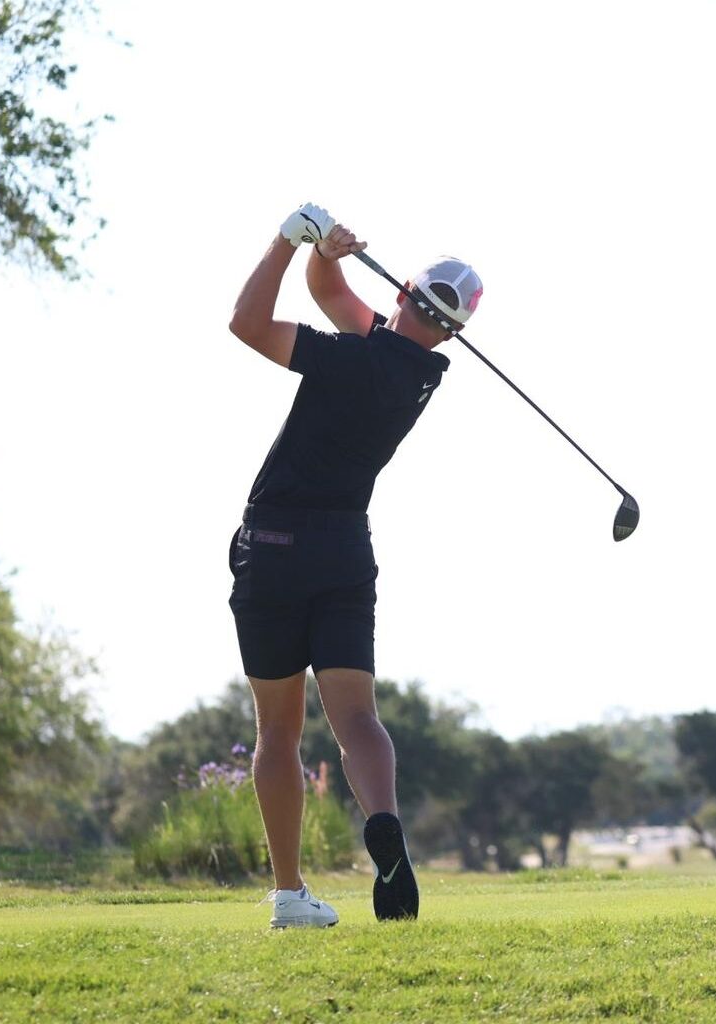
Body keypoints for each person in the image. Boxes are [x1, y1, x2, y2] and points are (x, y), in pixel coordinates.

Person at [225, 202, 483, 928]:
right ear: (452, 330)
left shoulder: (347, 356)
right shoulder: (421, 372)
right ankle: (385, 821)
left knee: (278, 732)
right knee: (357, 719)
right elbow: (332, 296)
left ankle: (287, 895)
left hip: (273, 545)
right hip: (344, 550)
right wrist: (326, 255)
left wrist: (283, 241)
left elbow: (247, 324)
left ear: (403, 292)